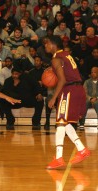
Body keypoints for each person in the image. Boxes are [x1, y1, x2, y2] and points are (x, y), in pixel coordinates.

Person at [45, 35, 91, 170]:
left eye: (46, 43)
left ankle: (58, 158)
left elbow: (63, 80)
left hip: (69, 90)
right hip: (78, 89)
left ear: (53, 44)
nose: (45, 46)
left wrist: (54, 97)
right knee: (64, 122)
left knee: (60, 122)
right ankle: (82, 149)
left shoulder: (56, 59)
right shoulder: (66, 55)